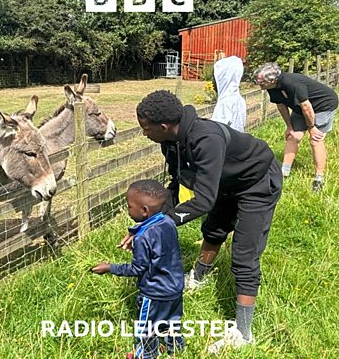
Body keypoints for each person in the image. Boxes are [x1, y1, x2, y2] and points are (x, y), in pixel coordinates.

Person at [119, 90, 282, 354]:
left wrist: (158, 226)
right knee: (214, 229)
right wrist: (145, 225)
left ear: (164, 126)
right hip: (223, 185)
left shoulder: (207, 140)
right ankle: (199, 277)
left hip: (256, 182)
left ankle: (243, 333)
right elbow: (176, 186)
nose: (144, 133)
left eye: (146, 128)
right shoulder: (170, 142)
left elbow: (204, 201)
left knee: (244, 254)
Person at [92, 179, 185, 359]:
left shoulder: (143, 238)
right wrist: (136, 231)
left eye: (129, 206)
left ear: (144, 210)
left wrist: (110, 268)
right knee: (172, 322)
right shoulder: (168, 222)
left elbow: (137, 268)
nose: (127, 209)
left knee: (146, 328)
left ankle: (145, 354)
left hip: (154, 293)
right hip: (175, 288)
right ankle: (176, 350)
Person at [253, 62, 338, 191]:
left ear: (272, 80)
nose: (258, 84)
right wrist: (289, 126)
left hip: (323, 105)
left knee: (315, 139)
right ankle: (284, 172)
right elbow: (281, 105)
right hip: (301, 108)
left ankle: (319, 178)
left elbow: (307, 107)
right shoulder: (271, 87)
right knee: (292, 136)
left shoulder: (292, 83)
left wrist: (312, 127)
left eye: (261, 82)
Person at [211, 55, 247, 132]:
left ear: (224, 79)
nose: (212, 82)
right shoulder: (238, 99)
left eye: (215, 78)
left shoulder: (225, 103)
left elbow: (217, 132)